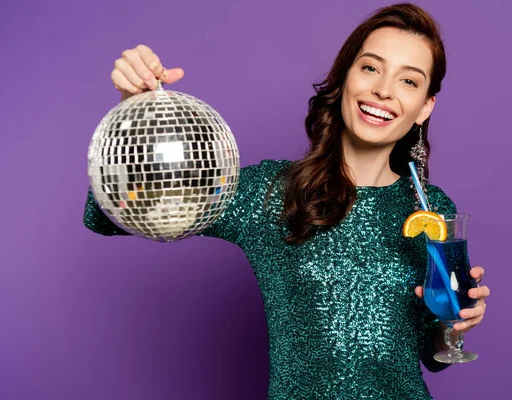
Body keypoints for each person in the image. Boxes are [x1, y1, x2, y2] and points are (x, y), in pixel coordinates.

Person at [83, 3, 490, 399]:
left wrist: (455, 325)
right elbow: (116, 212)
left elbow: (433, 356)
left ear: (424, 107)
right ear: (345, 77)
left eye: (409, 81)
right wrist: (134, 107)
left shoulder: (430, 208)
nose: (383, 90)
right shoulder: (272, 193)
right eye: (370, 68)